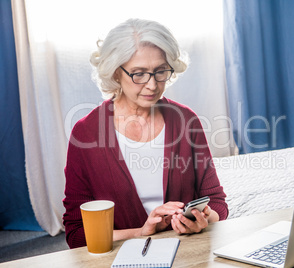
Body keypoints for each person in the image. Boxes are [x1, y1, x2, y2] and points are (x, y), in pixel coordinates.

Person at [62, 18, 228, 249]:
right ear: (115, 73)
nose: (152, 85)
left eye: (160, 71)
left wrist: (202, 222)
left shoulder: (187, 121)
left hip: (188, 253)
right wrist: (141, 232)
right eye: (138, 74)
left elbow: (217, 203)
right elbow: (77, 233)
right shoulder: (86, 134)